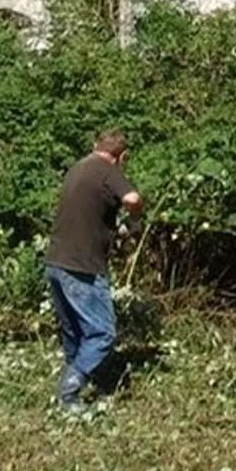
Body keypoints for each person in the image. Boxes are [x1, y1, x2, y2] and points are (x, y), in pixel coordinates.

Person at [45, 129, 142, 406]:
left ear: (94, 146)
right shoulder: (106, 169)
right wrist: (136, 218)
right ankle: (69, 391)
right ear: (121, 156)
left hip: (56, 262)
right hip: (83, 267)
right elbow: (132, 199)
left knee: (74, 332)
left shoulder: (78, 168)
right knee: (102, 333)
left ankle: (74, 392)